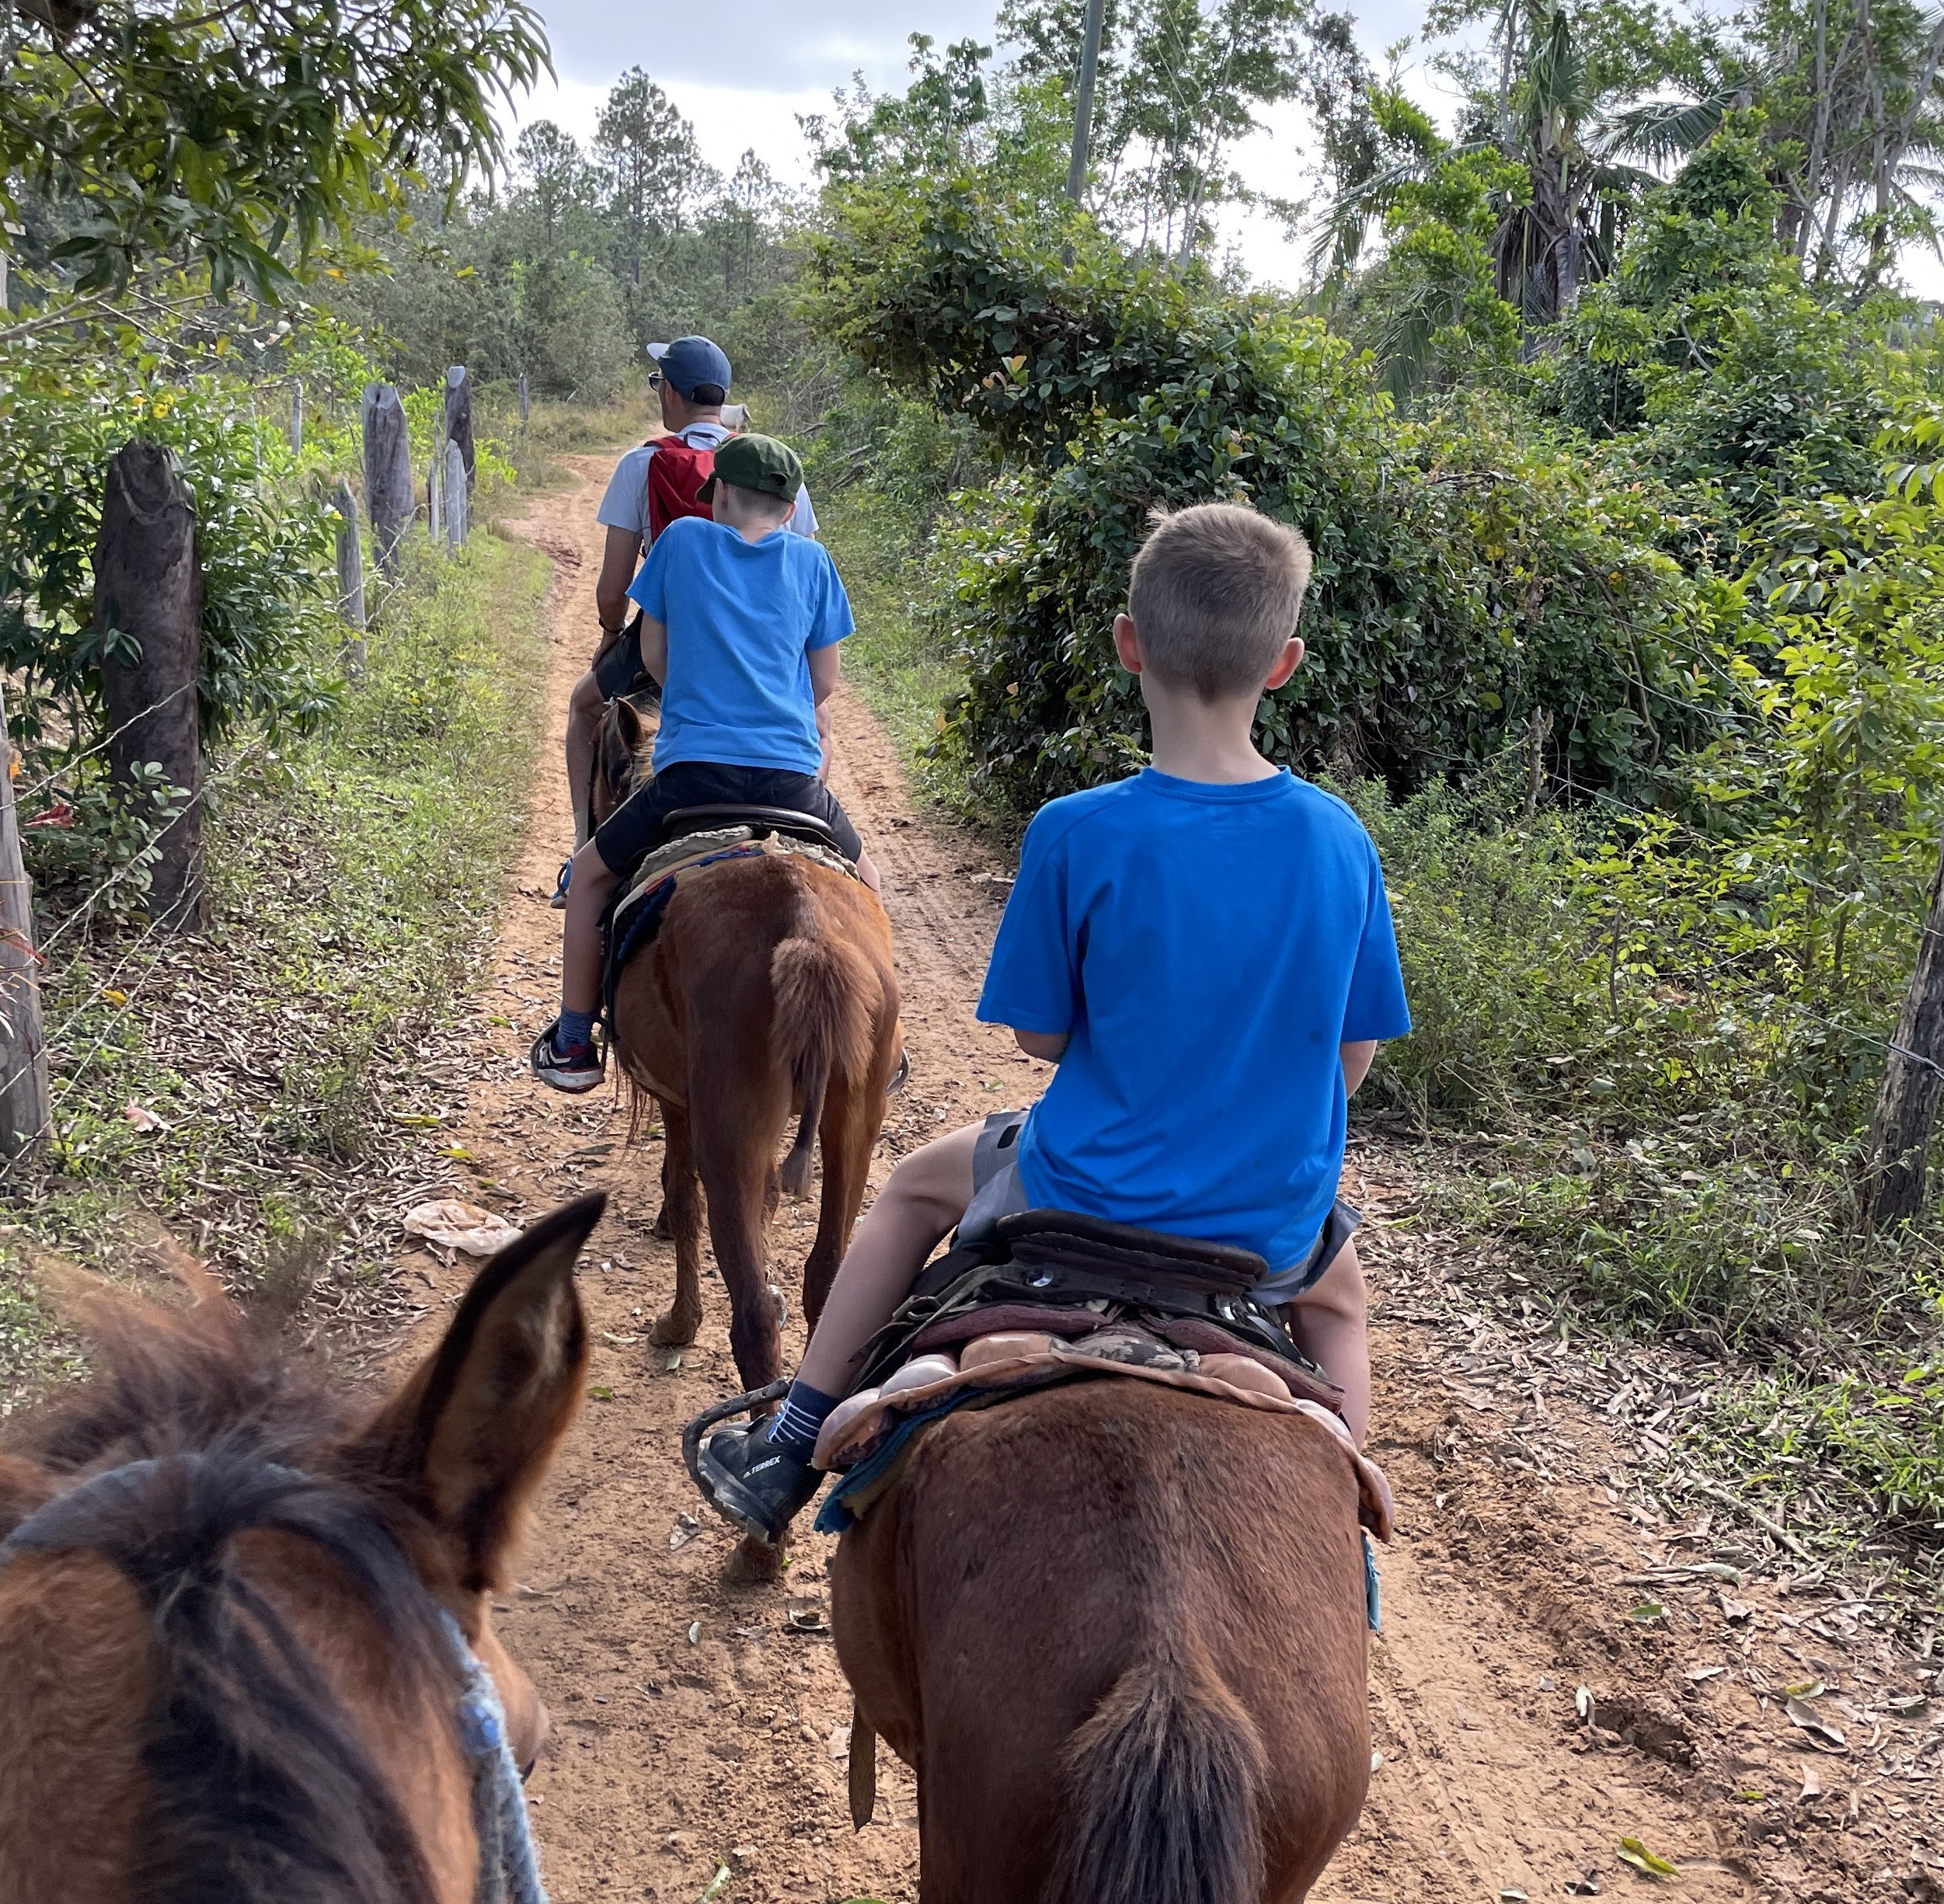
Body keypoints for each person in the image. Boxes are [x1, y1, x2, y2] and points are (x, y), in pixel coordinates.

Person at [693, 500, 1413, 1543]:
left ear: (1130, 644)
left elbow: (1043, 1040)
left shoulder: (1076, 831)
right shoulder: (1341, 841)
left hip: (1083, 1186)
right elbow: (1353, 1056)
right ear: (1285, 662)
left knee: (906, 1192)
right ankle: (1349, 1516)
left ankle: (792, 1440)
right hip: (1267, 1222)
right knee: (1340, 1300)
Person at [531, 433, 875, 1094]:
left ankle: (575, 1039)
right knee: (864, 881)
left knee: (591, 876)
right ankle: (883, 1045)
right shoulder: (814, 561)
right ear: (790, 507)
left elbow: (654, 658)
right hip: (793, 783)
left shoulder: (681, 543)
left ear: (719, 495)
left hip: (692, 778)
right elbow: (824, 681)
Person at [555, 336, 820, 907]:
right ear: (723, 400)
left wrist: (607, 636)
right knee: (816, 726)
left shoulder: (644, 462)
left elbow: (613, 590)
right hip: (772, 673)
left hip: (669, 636)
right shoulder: (778, 467)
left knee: (582, 707)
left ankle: (583, 844)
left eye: (659, 387)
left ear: (670, 393)